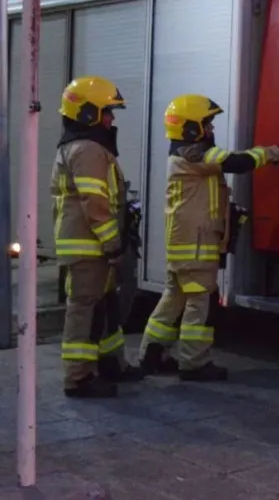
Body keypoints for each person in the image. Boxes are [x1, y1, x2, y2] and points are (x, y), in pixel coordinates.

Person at [137, 94, 279, 382]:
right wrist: (276, 152)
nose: (211, 130)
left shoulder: (183, 155)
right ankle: (194, 363)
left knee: (174, 298)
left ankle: (151, 353)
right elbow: (238, 162)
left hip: (184, 244)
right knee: (200, 303)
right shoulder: (194, 155)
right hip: (196, 245)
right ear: (190, 128)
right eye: (206, 124)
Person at [53, 76, 144, 399]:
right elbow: (96, 204)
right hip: (89, 247)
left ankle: (110, 363)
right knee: (84, 310)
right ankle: (78, 377)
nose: (111, 119)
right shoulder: (88, 149)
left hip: (91, 247)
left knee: (104, 306)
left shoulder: (85, 147)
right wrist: (113, 243)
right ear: (88, 112)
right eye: (107, 112)